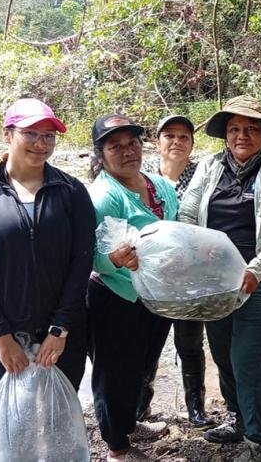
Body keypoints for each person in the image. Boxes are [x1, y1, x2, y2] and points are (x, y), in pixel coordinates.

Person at [179, 95, 261, 461]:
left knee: (246, 355)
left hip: (258, 281)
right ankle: (237, 419)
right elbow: (187, 213)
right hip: (214, 280)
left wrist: (255, 270)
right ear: (225, 135)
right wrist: (196, 247)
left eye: (251, 128)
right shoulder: (210, 167)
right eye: (234, 128)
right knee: (222, 352)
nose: (242, 135)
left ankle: (259, 439)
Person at [0, 98, 95, 391]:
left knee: (60, 413)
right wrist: (0, 336)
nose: (40, 143)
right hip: (4, 333)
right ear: (8, 134)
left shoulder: (71, 191)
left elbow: (81, 262)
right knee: (18, 419)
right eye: (30, 133)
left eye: (48, 136)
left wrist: (60, 329)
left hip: (62, 330)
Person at [87, 114, 178, 462]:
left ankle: (131, 421)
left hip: (154, 294)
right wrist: (114, 259)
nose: (127, 152)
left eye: (132, 143)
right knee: (114, 373)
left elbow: (177, 229)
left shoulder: (160, 186)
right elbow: (92, 258)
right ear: (100, 155)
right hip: (116, 297)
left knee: (142, 365)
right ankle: (117, 447)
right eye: (115, 146)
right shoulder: (104, 197)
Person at [136, 114, 215, 430]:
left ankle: (196, 408)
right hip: (152, 278)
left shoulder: (204, 176)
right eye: (170, 136)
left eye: (184, 137)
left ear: (192, 144)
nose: (177, 142)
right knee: (146, 345)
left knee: (190, 345)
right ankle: (140, 406)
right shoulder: (141, 178)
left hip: (191, 280)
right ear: (158, 142)